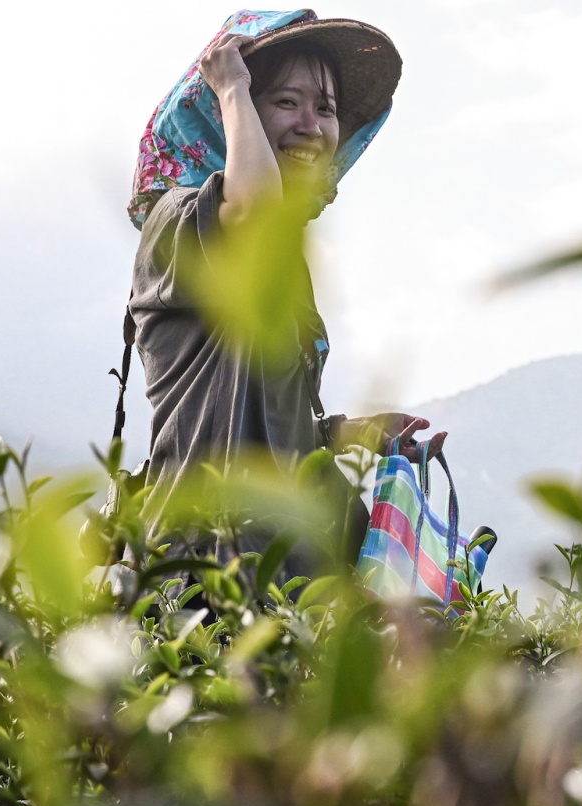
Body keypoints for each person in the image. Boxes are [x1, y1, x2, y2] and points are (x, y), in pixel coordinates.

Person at [125, 12, 442, 566]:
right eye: (285, 102)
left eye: (326, 109)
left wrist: (348, 435)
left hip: (290, 575)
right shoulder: (177, 220)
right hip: (207, 573)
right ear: (228, 115)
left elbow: (262, 423)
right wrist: (229, 84)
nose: (312, 126)